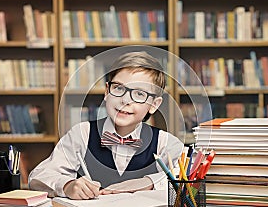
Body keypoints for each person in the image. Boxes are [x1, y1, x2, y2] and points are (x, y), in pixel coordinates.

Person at [28, 51, 183, 199]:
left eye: (139, 94)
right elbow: (38, 177)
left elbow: (190, 175)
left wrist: (150, 182)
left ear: (154, 104)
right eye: (119, 88)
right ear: (107, 92)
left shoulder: (164, 142)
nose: (125, 100)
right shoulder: (82, 134)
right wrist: (67, 185)